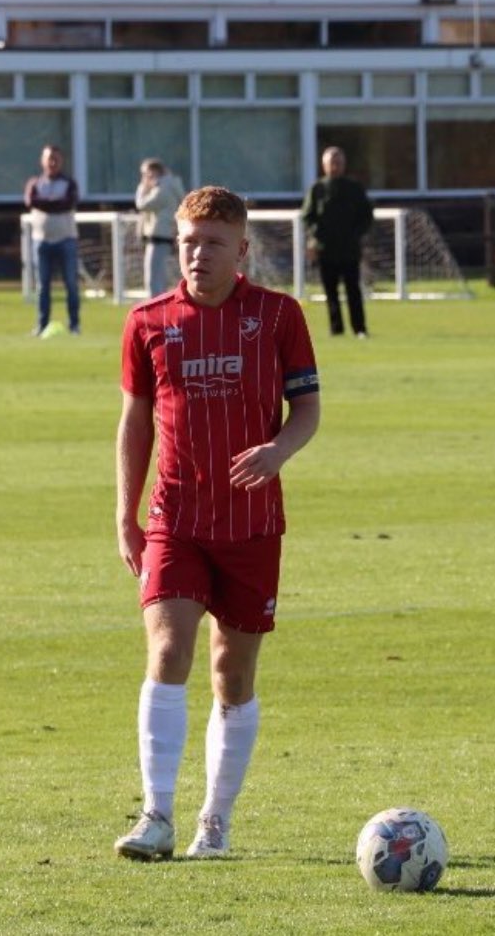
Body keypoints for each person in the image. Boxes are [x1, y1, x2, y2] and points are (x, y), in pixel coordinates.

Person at [113, 185, 321, 861]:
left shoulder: (279, 316)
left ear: (242, 250)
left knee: (231, 672)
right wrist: (125, 513)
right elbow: (135, 422)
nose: (198, 255)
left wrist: (278, 450)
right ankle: (156, 815)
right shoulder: (148, 322)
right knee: (168, 651)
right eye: (188, 243)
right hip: (176, 519)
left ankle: (215, 822)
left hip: (252, 524)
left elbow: (308, 410)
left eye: (213, 243)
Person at [301, 146, 374, 338]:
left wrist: (356, 234)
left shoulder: (355, 188)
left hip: (349, 249)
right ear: (324, 165)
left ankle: (359, 328)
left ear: (344, 164)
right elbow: (307, 216)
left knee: (353, 290)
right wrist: (317, 236)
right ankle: (336, 329)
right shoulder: (317, 189)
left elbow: (367, 215)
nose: (335, 166)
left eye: (338, 162)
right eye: (331, 163)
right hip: (326, 250)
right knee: (331, 292)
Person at [23, 144, 81, 336]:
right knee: (42, 285)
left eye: (56, 159)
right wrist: (54, 202)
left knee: (71, 284)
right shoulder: (35, 183)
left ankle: (74, 325)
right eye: (49, 159)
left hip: (66, 239)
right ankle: (41, 325)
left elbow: (68, 203)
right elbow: (31, 201)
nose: (53, 162)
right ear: (43, 161)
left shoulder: (69, 183)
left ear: (61, 161)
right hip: (41, 240)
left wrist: (45, 203)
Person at [135, 158, 186, 298]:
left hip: (160, 235)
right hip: (162, 234)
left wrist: (142, 187)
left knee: (153, 277)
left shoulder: (163, 187)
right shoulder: (168, 184)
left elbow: (142, 204)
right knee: (159, 275)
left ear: (155, 171)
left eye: (145, 174)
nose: (144, 178)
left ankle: (156, 306)